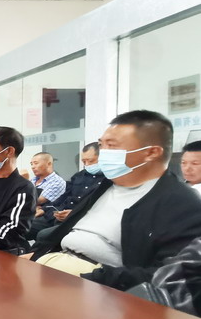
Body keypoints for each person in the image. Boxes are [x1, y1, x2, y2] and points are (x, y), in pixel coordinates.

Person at [30, 110, 201, 290]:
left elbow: (173, 275)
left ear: (151, 152)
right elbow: (63, 231)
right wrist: (35, 256)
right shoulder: (105, 186)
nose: (103, 153)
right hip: (55, 260)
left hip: (99, 281)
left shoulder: (180, 203)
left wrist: (91, 278)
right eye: (101, 145)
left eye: (112, 146)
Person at [26, 152, 67, 239]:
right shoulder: (33, 180)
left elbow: (37, 200)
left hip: (47, 218)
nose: (33, 167)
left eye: (36, 163)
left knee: (18, 227)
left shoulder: (57, 182)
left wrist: (23, 180)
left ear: (49, 164)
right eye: (31, 164)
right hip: (31, 214)